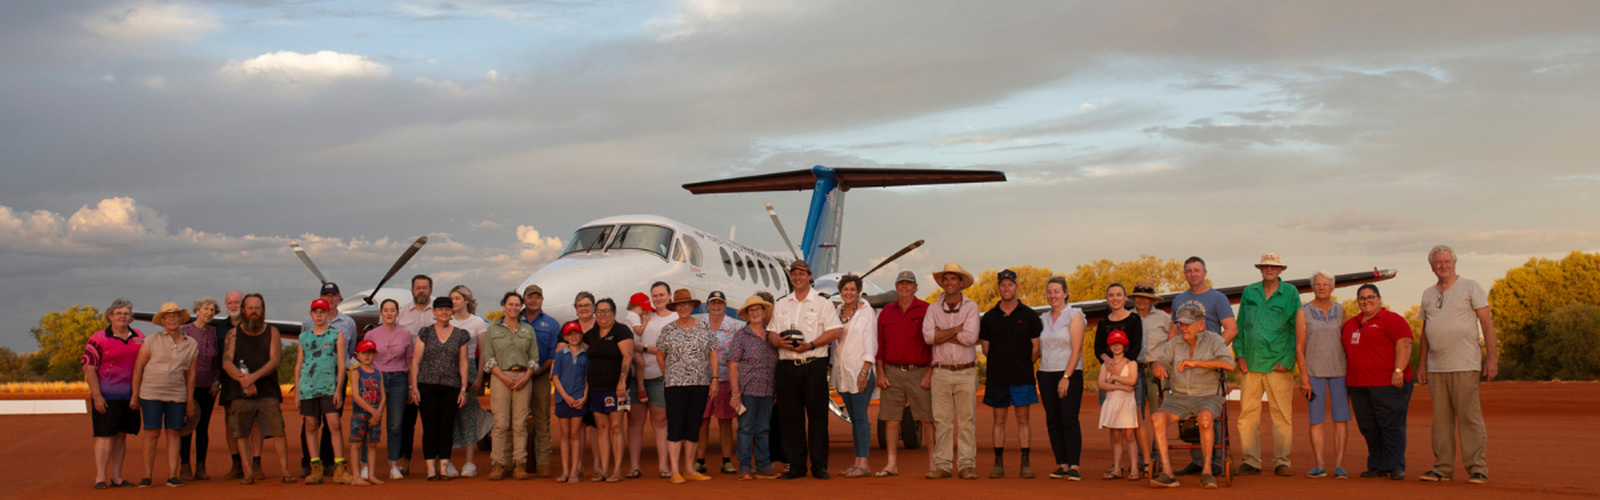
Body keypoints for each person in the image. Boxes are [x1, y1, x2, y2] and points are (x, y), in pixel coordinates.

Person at [1418, 245, 1496, 485]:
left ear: (1454, 263)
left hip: (1464, 363)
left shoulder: (1471, 286)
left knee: (1468, 416)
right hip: (1436, 366)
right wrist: (1422, 364)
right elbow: (1424, 332)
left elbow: (1486, 322)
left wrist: (1491, 357)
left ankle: (1477, 468)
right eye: (1438, 263)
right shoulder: (1428, 294)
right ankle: (1442, 468)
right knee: (1441, 420)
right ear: (1432, 267)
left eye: (1446, 261)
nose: (1443, 266)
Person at [1148, 304, 1236, 489]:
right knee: (1156, 418)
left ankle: (1207, 471)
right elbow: (1160, 359)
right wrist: (1157, 366)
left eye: (1188, 324)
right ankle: (1167, 472)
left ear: (1201, 325)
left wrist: (1197, 363)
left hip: (1207, 396)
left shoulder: (1214, 340)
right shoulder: (1174, 343)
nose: (1183, 328)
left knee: (1205, 419)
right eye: (1181, 324)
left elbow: (1229, 364)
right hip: (1178, 397)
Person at [770, 259, 845, 480]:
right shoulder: (781, 304)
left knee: (817, 417)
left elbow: (834, 331)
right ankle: (796, 465)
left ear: (810, 276)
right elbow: (772, 332)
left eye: (802, 274)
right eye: (794, 274)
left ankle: (819, 465)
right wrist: (778, 343)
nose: (797, 277)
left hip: (813, 365)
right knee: (789, 418)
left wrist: (810, 345)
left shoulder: (822, 303)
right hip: (787, 366)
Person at [1235, 253, 1302, 476]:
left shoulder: (1290, 293)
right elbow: (1241, 325)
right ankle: (1251, 461)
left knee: (1281, 415)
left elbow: (1296, 329)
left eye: (1273, 267)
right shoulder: (1249, 292)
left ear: (1281, 270)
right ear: (1260, 269)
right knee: (1247, 416)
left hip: (1278, 365)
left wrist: (1288, 359)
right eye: (1265, 266)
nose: (1269, 270)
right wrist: (1240, 355)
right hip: (1251, 364)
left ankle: (1282, 461)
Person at [1168, 256, 1236, 476]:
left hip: (1208, 366)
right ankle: (1198, 461)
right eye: (1188, 271)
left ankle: (1216, 461)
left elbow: (1231, 329)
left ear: (1205, 273)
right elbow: (1173, 332)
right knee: (1188, 413)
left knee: (1209, 411)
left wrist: (1213, 352)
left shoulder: (1217, 298)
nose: (1192, 274)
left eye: (1196, 270)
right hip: (1183, 364)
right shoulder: (1179, 300)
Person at [1342, 284, 1414, 481]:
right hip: (1358, 385)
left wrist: (1398, 370)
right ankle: (1377, 465)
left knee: (1390, 424)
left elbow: (1405, 343)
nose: (1367, 301)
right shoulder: (1350, 323)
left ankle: (1395, 466)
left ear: (1379, 298)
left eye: (1371, 296)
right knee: (1369, 426)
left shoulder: (1392, 320)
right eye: (1362, 298)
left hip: (1389, 383)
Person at [222, 293, 294, 484]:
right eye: (250, 308)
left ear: (263, 310)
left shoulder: (272, 332)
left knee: (278, 431)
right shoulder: (233, 334)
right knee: (241, 432)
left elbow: (274, 360)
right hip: (240, 392)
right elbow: (227, 362)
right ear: (243, 310)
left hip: (268, 391)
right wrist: (244, 380)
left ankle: (286, 471)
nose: (254, 312)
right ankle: (248, 474)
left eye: (257, 308)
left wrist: (254, 377)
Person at [979, 269, 1043, 479]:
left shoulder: (1029, 315)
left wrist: (1022, 365)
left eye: (1010, 285)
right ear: (998, 288)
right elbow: (986, 349)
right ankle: (998, 463)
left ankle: (1025, 463)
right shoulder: (989, 317)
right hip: (997, 377)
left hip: (1022, 377)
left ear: (1016, 287)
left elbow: (1036, 348)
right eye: (1003, 285)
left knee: (1023, 418)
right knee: (999, 419)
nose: (1006, 288)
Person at [922, 263, 981, 480]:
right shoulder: (933, 308)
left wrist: (943, 333)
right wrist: (957, 329)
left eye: (953, 279)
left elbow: (970, 338)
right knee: (942, 421)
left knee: (967, 420)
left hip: (965, 372)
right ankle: (943, 465)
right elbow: (928, 337)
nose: (949, 283)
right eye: (945, 279)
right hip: (941, 371)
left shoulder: (971, 307)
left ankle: (966, 465)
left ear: (961, 282)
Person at [874, 271, 935, 478]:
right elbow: (880, 347)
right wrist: (880, 373)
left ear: (915, 287)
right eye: (901, 284)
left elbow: (934, 344)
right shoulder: (886, 312)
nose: (904, 287)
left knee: (927, 418)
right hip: (892, 371)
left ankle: (934, 463)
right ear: (896, 286)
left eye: (909, 284)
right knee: (891, 419)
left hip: (919, 371)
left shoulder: (926, 309)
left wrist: (930, 373)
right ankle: (891, 464)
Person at [130, 302, 198, 488]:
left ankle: (172, 475)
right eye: (168, 317)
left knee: (174, 432)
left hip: (177, 392)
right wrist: (135, 394)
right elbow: (138, 367)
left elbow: (191, 373)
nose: (172, 319)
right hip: (151, 391)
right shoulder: (151, 340)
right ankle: (147, 476)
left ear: (180, 319)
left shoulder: (191, 344)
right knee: (151, 432)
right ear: (162, 320)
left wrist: (189, 400)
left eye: (175, 316)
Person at [656, 289, 719, 484]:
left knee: (694, 425)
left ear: (692, 306)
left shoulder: (703, 328)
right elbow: (660, 354)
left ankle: (689, 468)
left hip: (700, 383)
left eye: (686, 304)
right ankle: (675, 469)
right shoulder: (668, 329)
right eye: (679, 305)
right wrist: (669, 374)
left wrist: (714, 378)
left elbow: (712, 353)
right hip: (675, 385)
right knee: (676, 425)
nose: (683, 308)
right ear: (675, 307)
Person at [299, 283, 357, 480]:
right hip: (309, 384)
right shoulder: (306, 328)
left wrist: (339, 387)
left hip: (332, 381)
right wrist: (298, 389)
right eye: (326, 295)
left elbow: (348, 355)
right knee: (310, 425)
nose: (330, 299)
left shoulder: (346, 325)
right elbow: (302, 359)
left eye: (333, 296)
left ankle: (336, 465)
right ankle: (312, 465)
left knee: (333, 423)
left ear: (339, 297)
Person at [1295, 270, 1350, 479]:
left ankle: (1339, 466)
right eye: (1317, 284)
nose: (1321, 288)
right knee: (1316, 419)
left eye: (1326, 284)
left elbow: (1345, 340)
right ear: (1312, 287)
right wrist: (1304, 377)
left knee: (1341, 418)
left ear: (1333, 287)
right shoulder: (1304, 312)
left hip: (1340, 371)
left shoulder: (1340, 310)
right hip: (1314, 372)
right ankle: (1319, 465)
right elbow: (1299, 347)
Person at [409, 296, 470, 481]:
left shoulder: (460, 335)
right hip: (427, 386)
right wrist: (414, 387)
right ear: (434, 312)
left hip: (451, 387)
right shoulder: (425, 332)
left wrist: (463, 389)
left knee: (446, 427)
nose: (444, 312)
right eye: (440, 309)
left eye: (447, 309)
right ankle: (430, 469)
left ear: (452, 311)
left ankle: (443, 468)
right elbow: (415, 362)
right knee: (430, 427)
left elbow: (463, 364)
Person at [85, 299, 143, 489]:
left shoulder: (139, 337)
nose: (122, 317)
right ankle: (100, 477)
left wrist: (137, 394)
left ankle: (117, 477)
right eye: (118, 314)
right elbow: (89, 368)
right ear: (110, 316)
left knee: (121, 436)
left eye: (126, 314)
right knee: (105, 436)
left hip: (130, 396)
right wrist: (97, 396)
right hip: (107, 396)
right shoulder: (98, 338)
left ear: (131, 317)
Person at [485, 291, 539, 481]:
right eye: (510, 304)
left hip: (523, 377)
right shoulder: (493, 330)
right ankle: (498, 464)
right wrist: (504, 378)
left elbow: (534, 358)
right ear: (504, 305)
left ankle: (520, 464)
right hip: (501, 377)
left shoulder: (528, 330)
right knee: (500, 423)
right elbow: (489, 359)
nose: (514, 308)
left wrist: (526, 377)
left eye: (517, 305)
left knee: (520, 423)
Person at [1092, 283, 1145, 476]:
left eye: (1119, 294)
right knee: (1114, 427)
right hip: (1109, 370)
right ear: (1107, 298)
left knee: (1133, 426)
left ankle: (1140, 464)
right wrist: (1107, 360)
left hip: (1128, 370)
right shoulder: (1104, 320)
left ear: (1125, 297)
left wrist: (1122, 365)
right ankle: (1117, 466)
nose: (1115, 298)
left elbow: (1136, 346)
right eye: (1111, 295)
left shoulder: (1134, 319)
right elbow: (1098, 348)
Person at [1037, 276, 1086, 480]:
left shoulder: (1074, 315)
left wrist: (1066, 376)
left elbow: (1076, 349)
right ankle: (1063, 464)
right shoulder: (1042, 319)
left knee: (1069, 418)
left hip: (1069, 373)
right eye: (1049, 292)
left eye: (1056, 291)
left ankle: (1074, 465)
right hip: (1045, 373)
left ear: (1065, 293)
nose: (1052, 295)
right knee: (1053, 420)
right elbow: (1036, 349)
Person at [726, 295, 780, 480]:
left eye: (758, 309)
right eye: (751, 310)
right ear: (747, 314)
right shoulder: (741, 336)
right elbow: (733, 364)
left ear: (764, 312)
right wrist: (735, 393)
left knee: (764, 428)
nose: (755, 313)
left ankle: (764, 466)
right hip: (747, 390)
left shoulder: (771, 335)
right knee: (745, 428)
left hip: (767, 390)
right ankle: (745, 466)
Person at [583, 298, 635, 483]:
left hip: (616, 388)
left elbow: (627, 356)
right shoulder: (590, 335)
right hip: (596, 388)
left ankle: (617, 470)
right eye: (599, 311)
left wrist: (622, 381)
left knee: (615, 427)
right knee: (602, 428)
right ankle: (604, 470)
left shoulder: (622, 331)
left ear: (614, 312)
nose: (602, 315)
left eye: (606, 311)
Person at [832, 275, 879, 479]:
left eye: (852, 289)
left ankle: (864, 464)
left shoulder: (867, 312)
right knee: (854, 418)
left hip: (860, 371)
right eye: (845, 289)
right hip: (842, 372)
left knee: (860, 417)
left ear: (858, 291)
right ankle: (857, 462)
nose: (849, 293)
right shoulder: (837, 311)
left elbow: (871, 341)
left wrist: (865, 370)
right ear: (840, 291)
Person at [364, 299, 414, 480]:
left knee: (395, 424)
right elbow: (364, 359)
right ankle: (365, 464)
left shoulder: (406, 335)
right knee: (371, 422)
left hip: (398, 380)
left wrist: (410, 386)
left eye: (392, 310)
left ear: (397, 312)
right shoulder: (371, 334)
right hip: (375, 379)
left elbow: (410, 361)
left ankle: (394, 463)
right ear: (381, 313)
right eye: (386, 310)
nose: (389, 313)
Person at [696, 290, 745, 475]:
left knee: (725, 421)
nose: (716, 306)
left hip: (725, 380)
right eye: (713, 303)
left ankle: (726, 460)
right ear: (707, 305)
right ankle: (700, 460)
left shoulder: (735, 326)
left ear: (725, 305)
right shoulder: (699, 325)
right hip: (702, 379)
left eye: (720, 303)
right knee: (702, 421)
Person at [629, 282, 675, 479]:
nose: (658, 299)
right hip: (637, 377)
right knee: (634, 422)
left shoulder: (675, 319)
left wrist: (643, 347)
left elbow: (671, 349)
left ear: (669, 295)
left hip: (660, 377)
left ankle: (663, 466)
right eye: (654, 295)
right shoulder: (644, 317)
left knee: (660, 421)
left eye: (661, 295)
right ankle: (634, 466)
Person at [215, 290, 260, 481]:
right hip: (228, 382)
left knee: (255, 421)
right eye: (230, 303)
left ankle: (256, 463)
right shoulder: (218, 327)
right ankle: (237, 463)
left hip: (254, 380)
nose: (233, 305)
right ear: (226, 305)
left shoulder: (255, 325)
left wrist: (251, 379)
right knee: (230, 423)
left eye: (237, 302)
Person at [517, 284, 562, 478]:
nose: (533, 300)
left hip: (540, 377)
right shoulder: (512, 319)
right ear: (524, 299)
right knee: (515, 420)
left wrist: (535, 373)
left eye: (537, 297)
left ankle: (543, 462)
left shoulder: (551, 324)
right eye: (530, 297)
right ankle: (515, 461)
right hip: (515, 378)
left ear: (541, 300)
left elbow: (552, 355)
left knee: (542, 419)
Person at [1129, 280, 1172, 474]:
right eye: (1138, 297)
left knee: (1158, 415)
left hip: (1157, 371)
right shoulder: (1129, 317)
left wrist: (1165, 364)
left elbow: (1172, 344)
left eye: (1146, 298)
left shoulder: (1164, 318)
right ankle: (1141, 458)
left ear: (1152, 299)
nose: (1142, 300)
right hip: (1134, 370)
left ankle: (1159, 457)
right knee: (1136, 416)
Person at [392, 275, 433, 476]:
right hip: (408, 375)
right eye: (418, 288)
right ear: (412, 290)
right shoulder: (401, 314)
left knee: (431, 421)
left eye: (425, 288)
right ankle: (403, 458)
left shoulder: (441, 312)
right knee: (406, 421)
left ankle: (432, 462)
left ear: (430, 290)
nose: (421, 291)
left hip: (434, 375)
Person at [177, 297, 221, 481]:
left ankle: (201, 467)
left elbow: (217, 361)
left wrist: (216, 381)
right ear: (197, 310)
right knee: (187, 426)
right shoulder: (184, 330)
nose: (209, 313)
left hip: (207, 388)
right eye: (205, 309)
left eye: (212, 310)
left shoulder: (214, 332)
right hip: (188, 387)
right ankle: (184, 466)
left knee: (203, 428)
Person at [1096, 330, 1139, 481]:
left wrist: (1114, 378)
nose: (1116, 346)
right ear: (1109, 346)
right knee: (1116, 437)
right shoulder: (1105, 365)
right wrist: (1120, 386)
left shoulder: (1131, 363)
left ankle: (1134, 468)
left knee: (1129, 436)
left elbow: (1132, 381)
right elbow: (1101, 384)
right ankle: (1117, 468)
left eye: (1119, 343)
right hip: (1113, 402)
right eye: (1114, 343)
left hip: (1127, 403)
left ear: (1124, 345)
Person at [552, 322, 590, 483]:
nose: (573, 337)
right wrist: (565, 397)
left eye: (576, 334)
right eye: (570, 334)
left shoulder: (586, 355)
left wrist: (584, 397)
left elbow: (588, 379)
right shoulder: (560, 354)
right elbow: (555, 377)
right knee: (565, 435)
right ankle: (565, 470)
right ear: (565, 337)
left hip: (579, 399)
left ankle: (575, 470)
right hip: (563, 399)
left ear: (581, 335)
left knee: (575, 434)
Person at [347, 339, 386, 486]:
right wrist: (372, 411)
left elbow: (383, 395)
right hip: (360, 414)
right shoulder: (356, 372)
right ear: (357, 355)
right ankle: (356, 476)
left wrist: (378, 412)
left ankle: (371, 475)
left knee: (372, 444)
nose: (367, 356)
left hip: (375, 414)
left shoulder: (378, 373)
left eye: (370, 353)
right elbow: (356, 396)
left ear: (375, 355)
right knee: (356, 443)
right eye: (364, 353)